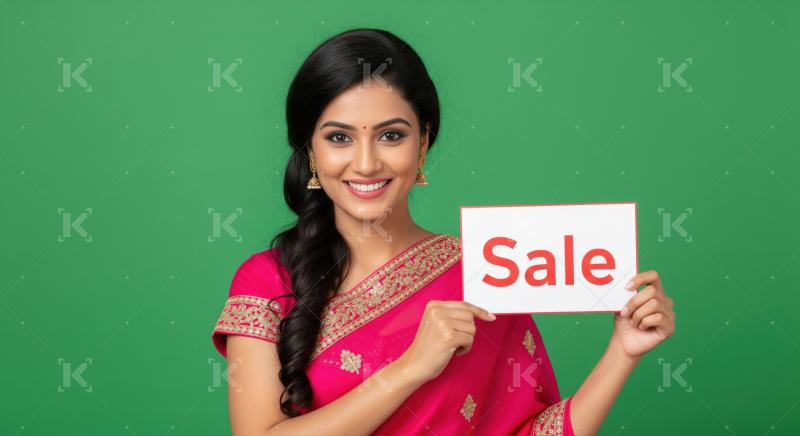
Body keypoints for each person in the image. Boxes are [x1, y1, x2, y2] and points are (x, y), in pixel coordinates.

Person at [211, 28, 676, 435]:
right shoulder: (267, 282)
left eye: (392, 135)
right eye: (339, 137)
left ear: (424, 141)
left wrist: (622, 352)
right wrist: (412, 367)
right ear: (310, 149)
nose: (367, 162)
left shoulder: (487, 271)